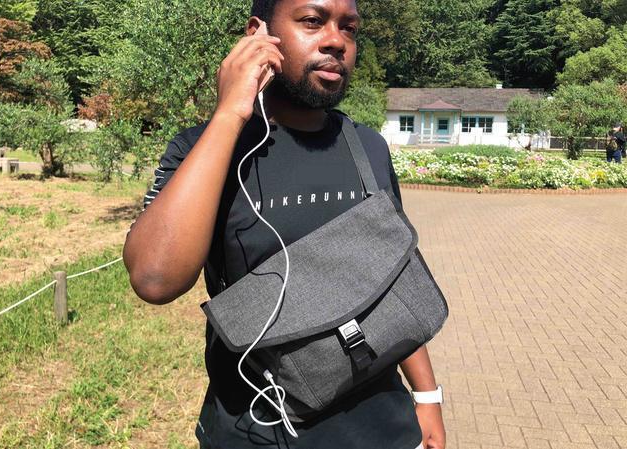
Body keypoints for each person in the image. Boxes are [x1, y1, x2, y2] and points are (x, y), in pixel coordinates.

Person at [123, 1, 446, 448]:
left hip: (386, 431)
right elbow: (154, 279)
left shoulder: (368, 148)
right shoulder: (205, 150)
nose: (336, 41)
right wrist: (230, 113)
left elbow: (391, 280)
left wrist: (427, 395)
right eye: (312, 21)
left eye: (349, 28)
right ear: (258, 34)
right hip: (257, 433)